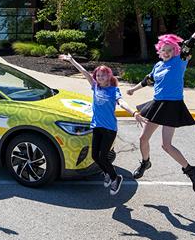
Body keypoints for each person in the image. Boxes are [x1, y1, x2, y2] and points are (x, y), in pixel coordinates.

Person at [126, 15, 195, 192]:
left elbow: (190, 43)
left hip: (172, 106)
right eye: (163, 50)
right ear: (159, 51)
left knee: (166, 145)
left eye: (169, 50)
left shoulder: (180, 61)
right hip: (157, 105)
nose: (166, 53)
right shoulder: (158, 66)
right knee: (143, 138)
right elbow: (148, 80)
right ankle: (145, 163)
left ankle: (191, 171)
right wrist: (133, 90)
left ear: (175, 50)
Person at [60, 54, 148, 195]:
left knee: (102, 157)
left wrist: (134, 113)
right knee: (95, 155)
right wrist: (71, 60)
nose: (100, 78)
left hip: (109, 129)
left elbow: (122, 103)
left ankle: (115, 178)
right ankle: (108, 172)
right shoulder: (95, 87)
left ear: (109, 77)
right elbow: (83, 71)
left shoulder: (114, 90)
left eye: (103, 75)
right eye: (98, 75)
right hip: (97, 126)